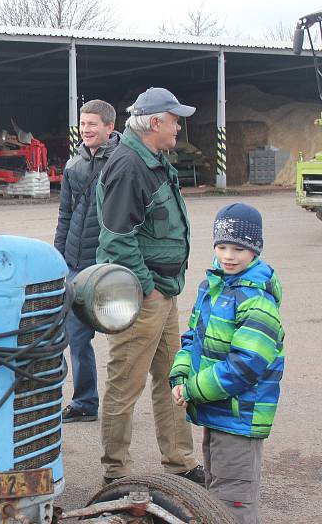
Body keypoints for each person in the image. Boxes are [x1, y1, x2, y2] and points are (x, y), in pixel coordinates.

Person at [95, 87, 203, 484]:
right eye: (175, 119)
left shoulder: (155, 161)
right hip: (143, 297)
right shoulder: (128, 167)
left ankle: (180, 464)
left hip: (164, 292)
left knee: (173, 379)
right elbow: (116, 238)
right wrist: (148, 287)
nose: (179, 126)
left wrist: (163, 290)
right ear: (155, 122)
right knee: (125, 385)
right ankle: (115, 473)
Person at [170, 204, 283, 523]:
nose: (228, 255)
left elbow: (245, 366)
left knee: (233, 501)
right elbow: (193, 336)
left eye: (239, 248)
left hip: (240, 416)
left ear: (255, 249)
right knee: (217, 488)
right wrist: (180, 376)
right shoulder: (213, 287)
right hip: (218, 411)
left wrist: (193, 389)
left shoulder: (256, 300)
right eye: (222, 246)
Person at [54, 99, 121, 423]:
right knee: (75, 339)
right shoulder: (73, 166)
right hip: (75, 264)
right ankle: (84, 402)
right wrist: (58, 257)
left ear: (110, 127)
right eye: (83, 124)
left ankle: (122, 406)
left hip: (111, 268)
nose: (86, 129)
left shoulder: (123, 163)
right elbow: (65, 214)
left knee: (125, 342)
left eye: (93, 124)